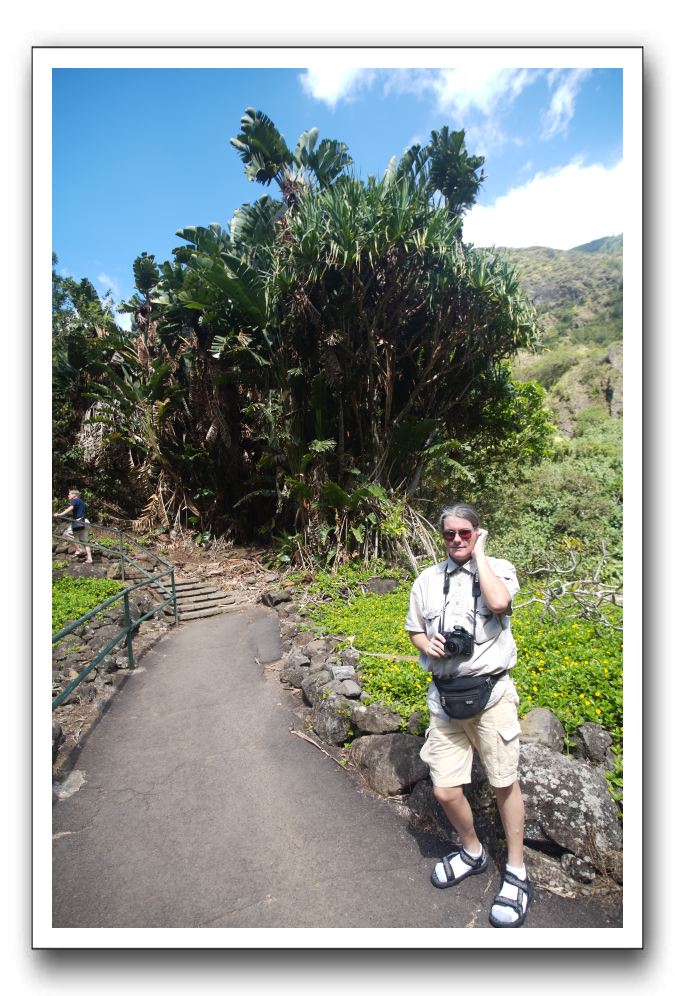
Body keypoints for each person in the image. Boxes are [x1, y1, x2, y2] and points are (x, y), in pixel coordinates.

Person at [405, 502, 531, 928]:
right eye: (449, 534)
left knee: (503, 783)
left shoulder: (498, 568)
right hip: (444, 700)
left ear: (478, 532)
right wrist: (426, 645)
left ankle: (516, 870)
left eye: (465, 532)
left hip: (492, 695)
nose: (456, 539)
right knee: (444, 790)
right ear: (441, 537)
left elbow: (498, 603)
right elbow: (414, 628)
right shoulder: (426, 580)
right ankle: (473, 851)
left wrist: (479, 557)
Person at [54, 488, 93, 563]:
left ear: (74, 495)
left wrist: (60, 514)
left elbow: (70, 508)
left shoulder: (75, 500)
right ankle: (90, 558)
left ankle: (79, 549)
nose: (68, 496)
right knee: (85, 541)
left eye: (69, 494)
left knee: (66, 534)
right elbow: (75, 511)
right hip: (85, 522)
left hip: (78, 522)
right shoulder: (81, 502)